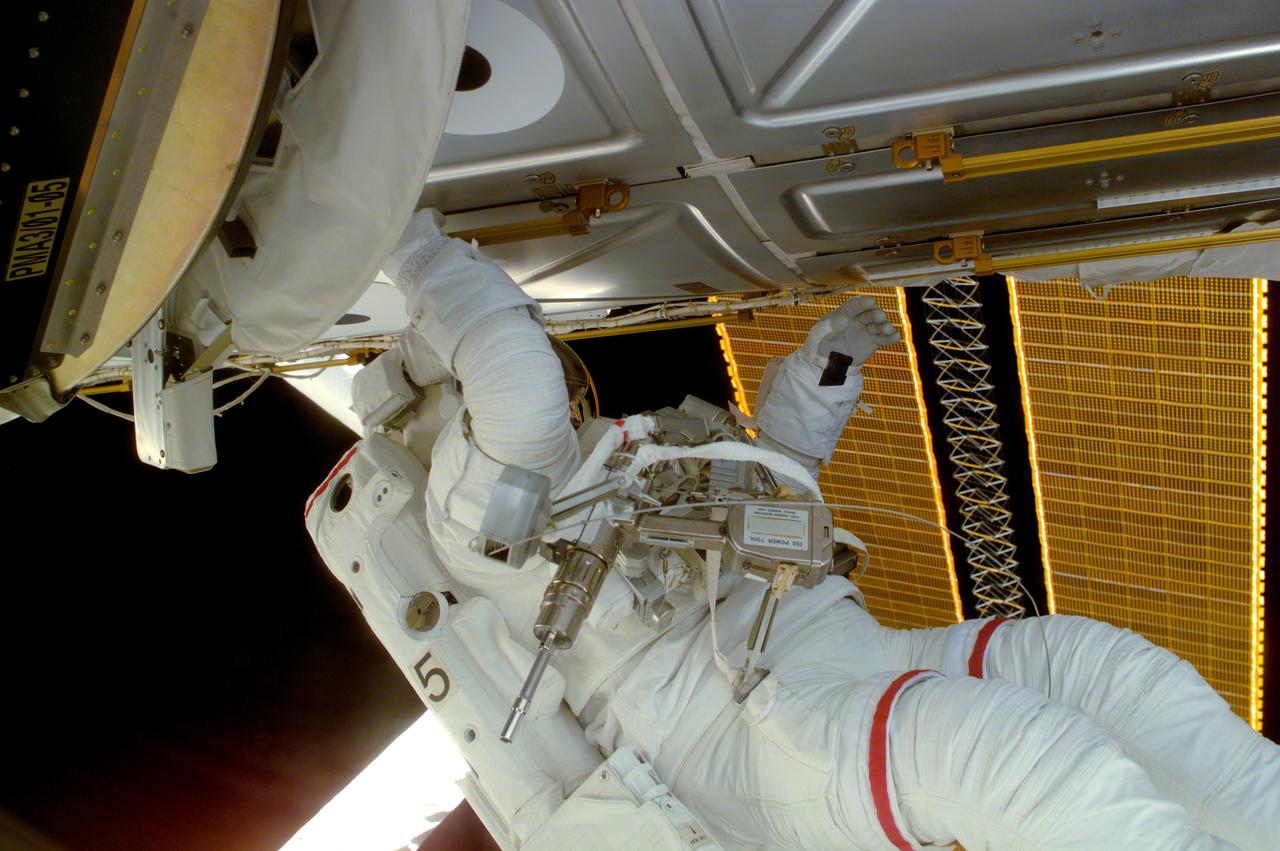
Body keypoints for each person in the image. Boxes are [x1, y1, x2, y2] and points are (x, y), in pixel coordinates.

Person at [308, 211, 1280, 850]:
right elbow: (511, 370)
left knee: (1100, 673)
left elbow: (764, 488)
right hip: (740, 731)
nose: (562, 390)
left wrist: (822, 373)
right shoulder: (475, 517)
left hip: (828, 649)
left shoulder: (623, 457)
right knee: (1013, 760)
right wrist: (412, 245)